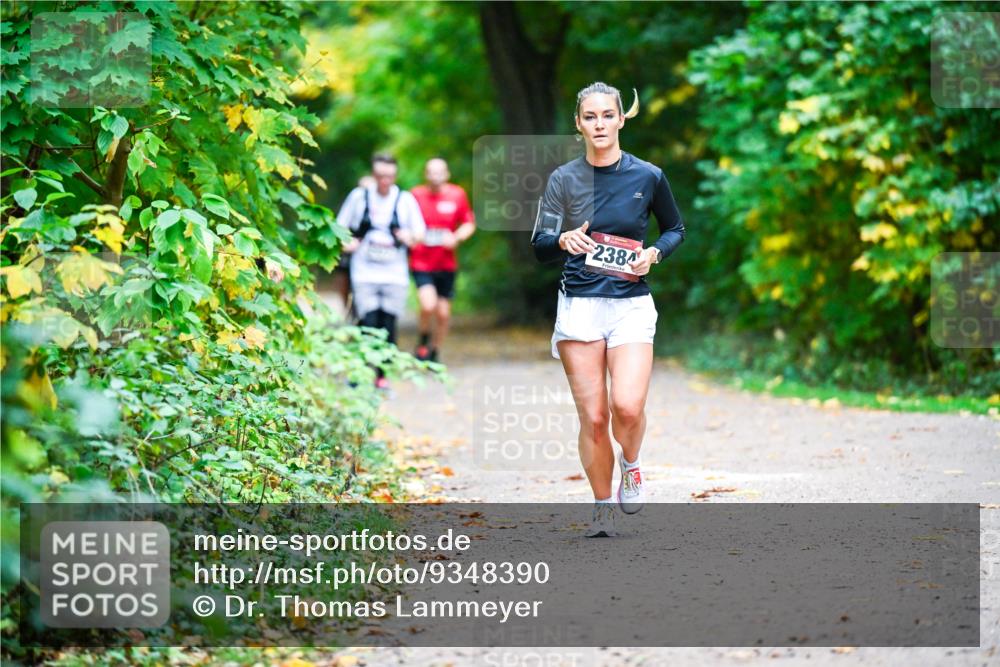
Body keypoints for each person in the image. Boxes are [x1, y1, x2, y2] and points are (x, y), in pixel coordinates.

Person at [531, 82, 685, 537]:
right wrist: (561, 240)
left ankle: (631, 464)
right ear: (579, 124)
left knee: (628, 407)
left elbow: (675, 228)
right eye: (590, 117)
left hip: (630, 306)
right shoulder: (563, 179)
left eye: (607, 115)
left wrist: (654, 253)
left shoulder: (648, 176)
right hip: (579, 306)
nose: (599, 124)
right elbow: (539, 245)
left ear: (621, 119)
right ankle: (601, 505)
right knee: (595, 417)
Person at [338, 153, 426, 389]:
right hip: (364, 270)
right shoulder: (359, 197)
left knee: (388, 322)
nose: (384, 181)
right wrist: (348, 243)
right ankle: (360, 371)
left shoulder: (405, 200)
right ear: (373, 175)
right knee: (367, 320)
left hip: (394, 272)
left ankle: (382, 374)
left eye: (388, 176)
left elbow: (420, 233)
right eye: (379, 176)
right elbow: (339, 228)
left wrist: (409, 237)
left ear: (395, 176)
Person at [409, 158, 476, 362]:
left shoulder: (457, 195)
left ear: (446, 174)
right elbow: (404, 222)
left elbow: (469, 223)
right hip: (421, 261)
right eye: (431, 172)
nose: (435, 176)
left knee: (444, 313)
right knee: (428, 305)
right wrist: (411, 236)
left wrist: (456, 238)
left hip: (446, 264)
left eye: (439, 172)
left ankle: (434, 352)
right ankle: (423, 340)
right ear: (425, 174)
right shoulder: (415, 195)